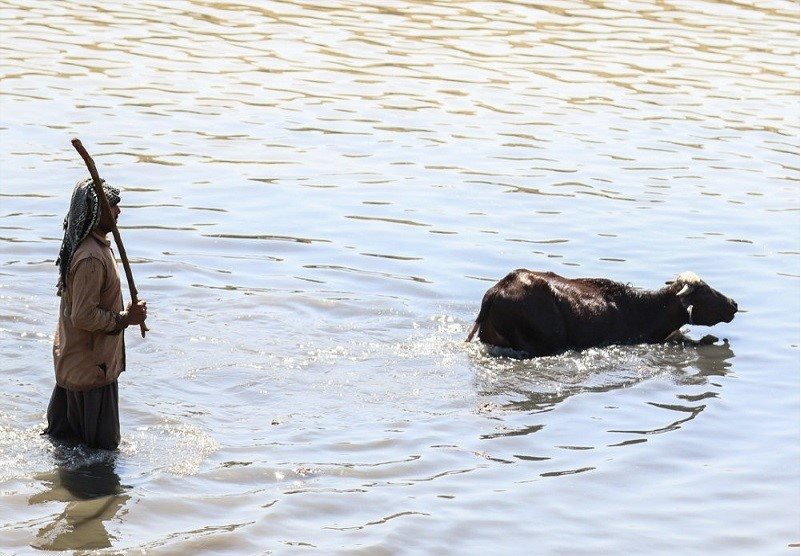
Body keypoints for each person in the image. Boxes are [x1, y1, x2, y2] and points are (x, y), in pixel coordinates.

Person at [44, 177, 147, 450]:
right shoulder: (90, 257)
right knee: (100, 455)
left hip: (77, 365)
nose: (118, 211)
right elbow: (84, 316)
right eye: (112, 206)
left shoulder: (91, 247)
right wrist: (126, 318)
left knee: (69, 449)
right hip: (91, 373)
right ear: (95, 210)